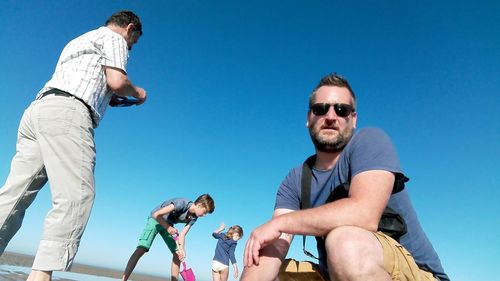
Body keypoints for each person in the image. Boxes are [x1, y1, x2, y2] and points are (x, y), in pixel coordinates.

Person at [241, 73, 450, 281]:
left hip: (413, 273)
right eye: (320, 109)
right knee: (271, 267)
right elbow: (276, 241)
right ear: (308, 118)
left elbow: (364, 214)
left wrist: (280, 224)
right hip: (333, 274)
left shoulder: (370, 142)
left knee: (345, 243)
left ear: (354, 119)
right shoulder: (296, 179)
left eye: (342, 110)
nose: (331, 117)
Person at [0, 10, 146, 281]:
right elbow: (117, 81)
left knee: (15, 194)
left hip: (38, 110)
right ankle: (40, 276)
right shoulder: (114, 39)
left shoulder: (79, 40)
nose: (130, 47)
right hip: (68, 114)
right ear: (129, 29)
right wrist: (138, 93)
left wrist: (109, 95)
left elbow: (94, 80)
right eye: (133, 42)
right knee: (77, 195)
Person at [122, 194, 215, 281]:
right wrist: (168, 227)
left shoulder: (194, 218)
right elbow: (157, 214)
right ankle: (124, 279)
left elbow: (182, 235)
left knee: (177, 254)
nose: (204, 215)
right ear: (199, 204)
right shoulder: (181, 203)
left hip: (168, 225)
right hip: (155, 220)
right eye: (205, 211)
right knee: (142, 248)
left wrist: (182, 250)